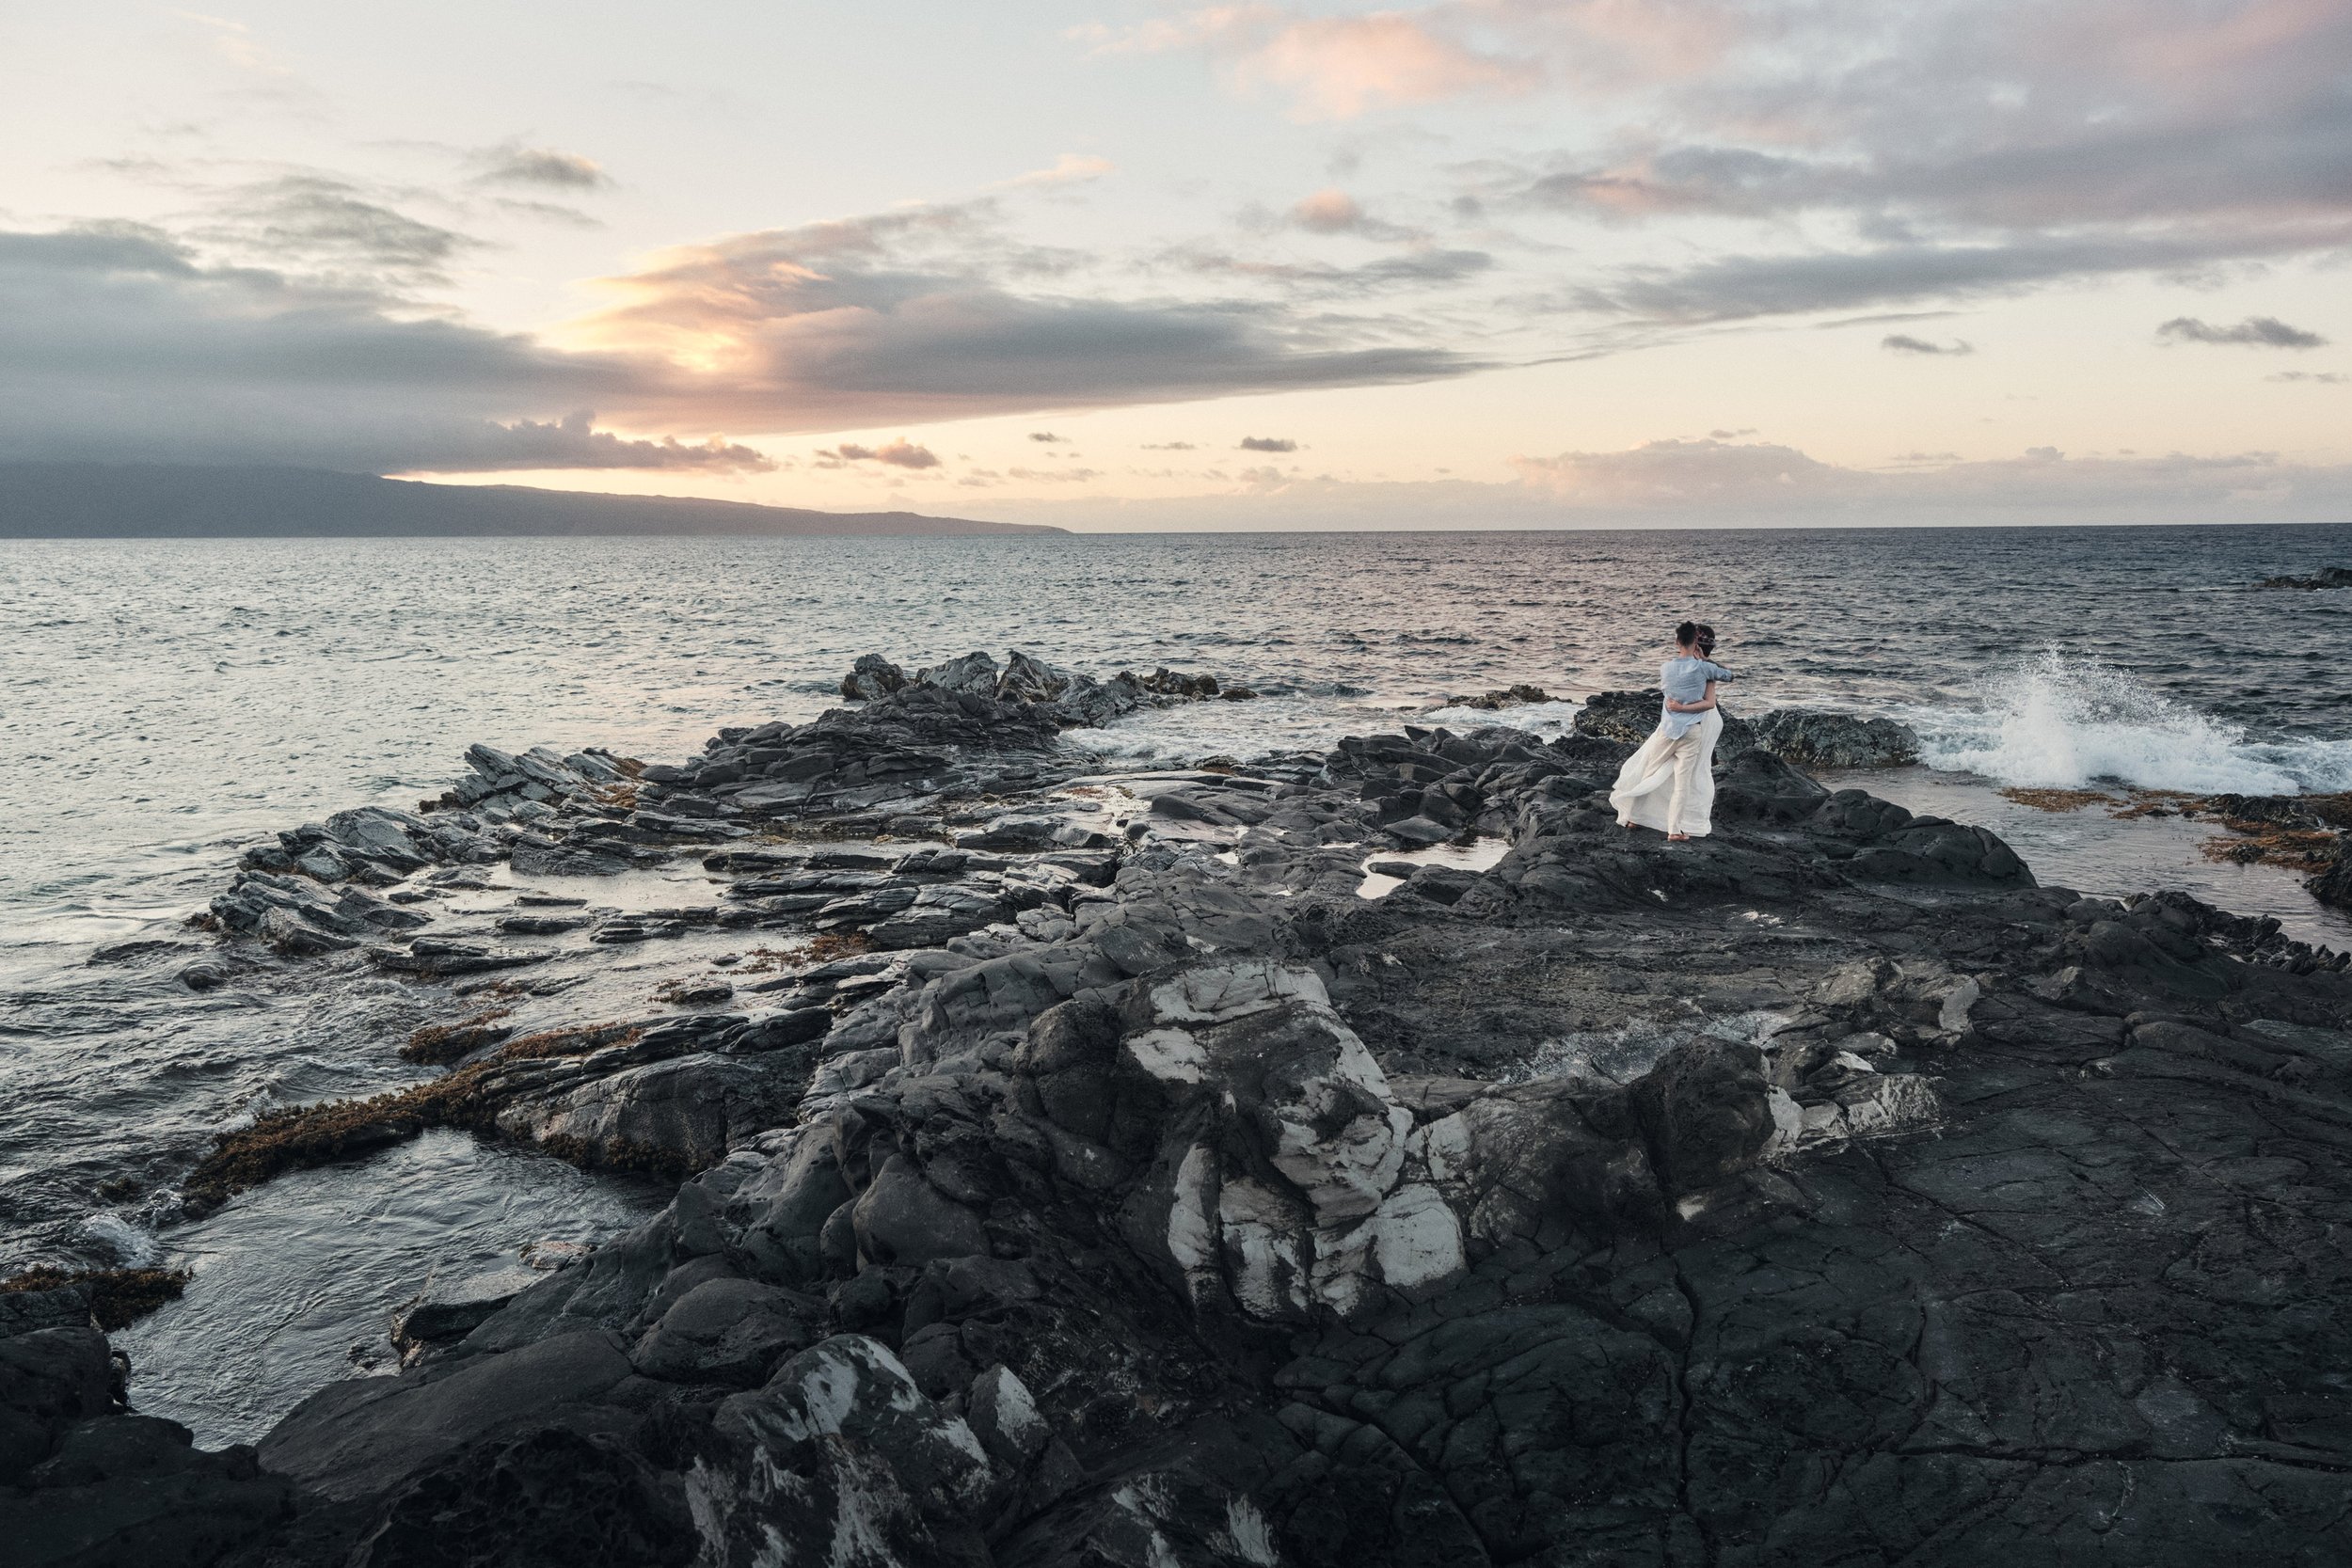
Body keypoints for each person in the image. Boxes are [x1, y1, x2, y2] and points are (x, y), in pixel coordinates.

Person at [1609, 621, 1736, 841]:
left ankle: (1633, 817)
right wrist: (1705, 662)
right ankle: (1674, 831)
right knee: (1682, 783)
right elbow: (1729, 676)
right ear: (1697, 643)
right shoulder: (1705, 669)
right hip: (1691, 731)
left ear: (1677, 642)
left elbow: (1672, 693)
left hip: (1668, 730)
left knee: (1648, 771)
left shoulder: (1665, 668)